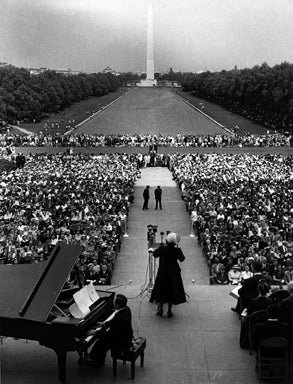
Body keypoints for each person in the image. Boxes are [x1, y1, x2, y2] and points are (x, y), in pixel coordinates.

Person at [86, 294, 133, 366]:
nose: (113, 302)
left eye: (114, 301)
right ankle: (98, 359)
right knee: (102, 341)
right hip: (126, 335)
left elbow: (111, 335)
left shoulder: (120, 318)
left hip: (122, 341)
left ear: (117, 305)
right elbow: (114, 321)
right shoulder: (126, 309)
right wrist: (105, 323)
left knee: (101, 341)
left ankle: (95, 361)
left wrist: (95, 332)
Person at [149, 232, 186, 317]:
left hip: (164, 270)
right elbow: (182, 259)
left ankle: (161, 309)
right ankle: (169, 310)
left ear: (167, 241)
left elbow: (155, 254)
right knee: (171, 289)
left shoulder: (162, 249)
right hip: (173, 271)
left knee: (162, 288)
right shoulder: (177, 250)